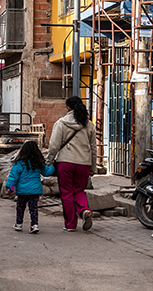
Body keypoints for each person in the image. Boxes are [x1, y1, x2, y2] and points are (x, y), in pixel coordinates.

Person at [46, 95, 97, 232]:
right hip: (84, 163)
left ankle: (70, 225)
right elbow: (93, 147)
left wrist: (50, 160)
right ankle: (85, 210)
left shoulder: (61, 123)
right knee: (79, 190)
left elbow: (54, 145)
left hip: (65, 163)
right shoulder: (89, 125)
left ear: (68, 107)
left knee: (67, 193)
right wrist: (93, 167)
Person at [4, 140, 55, 234]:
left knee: (20, 208)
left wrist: (10, 189)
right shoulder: (38, 163)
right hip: (35, 191)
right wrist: (53, 166)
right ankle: (34, 225)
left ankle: (18, 224)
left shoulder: (19, 163)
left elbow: (13, 178)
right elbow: (47, 172)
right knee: (33, 209)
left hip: (22, 191)